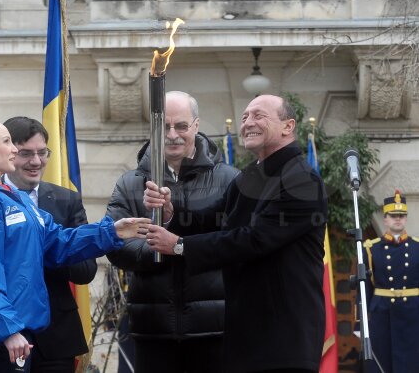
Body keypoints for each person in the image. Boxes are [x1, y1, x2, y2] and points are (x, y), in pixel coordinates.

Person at [0, 116, 151, 373]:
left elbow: (58, 243)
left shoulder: (15, 199)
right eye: (7, 141)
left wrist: (111, 231)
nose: (14, 149)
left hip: (18, 333)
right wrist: (7, 330)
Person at [146, 94, 328, 373]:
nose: (247, 123)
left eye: (259, 116)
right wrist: (171, 210)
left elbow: (253, 240)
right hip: (245, 332)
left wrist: (180, 246)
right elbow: (213, 219)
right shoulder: (250, 177)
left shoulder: (301, 180)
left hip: (285, 339)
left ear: (288, 126)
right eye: (244, 117)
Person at [105, 91, 238, 373]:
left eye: (181, 126)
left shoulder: (229, 180)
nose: (172, 134)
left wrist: (179, 244)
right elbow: (115, 245)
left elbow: (235, 245)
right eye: (164, 126)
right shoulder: (130, 184)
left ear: (196, 126)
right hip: (153, 329)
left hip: (214, 330)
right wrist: (159, 246)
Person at [2, 116, 96, 373]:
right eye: (25, 154)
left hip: (56, 337)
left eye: (42, 153)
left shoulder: (66, 200)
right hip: (1, 335)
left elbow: (86, 271)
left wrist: (52, 244)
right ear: (8, 153)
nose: (36, 162)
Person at [362, 190, 419, 373]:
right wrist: (360, 322)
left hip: (412, 314)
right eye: (393, 216)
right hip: (382, 314)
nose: (397, 219)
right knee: (382, 364)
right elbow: (364, 287)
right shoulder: (372, 248)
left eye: (401, 216)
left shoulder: (417, 247)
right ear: (385, 219)